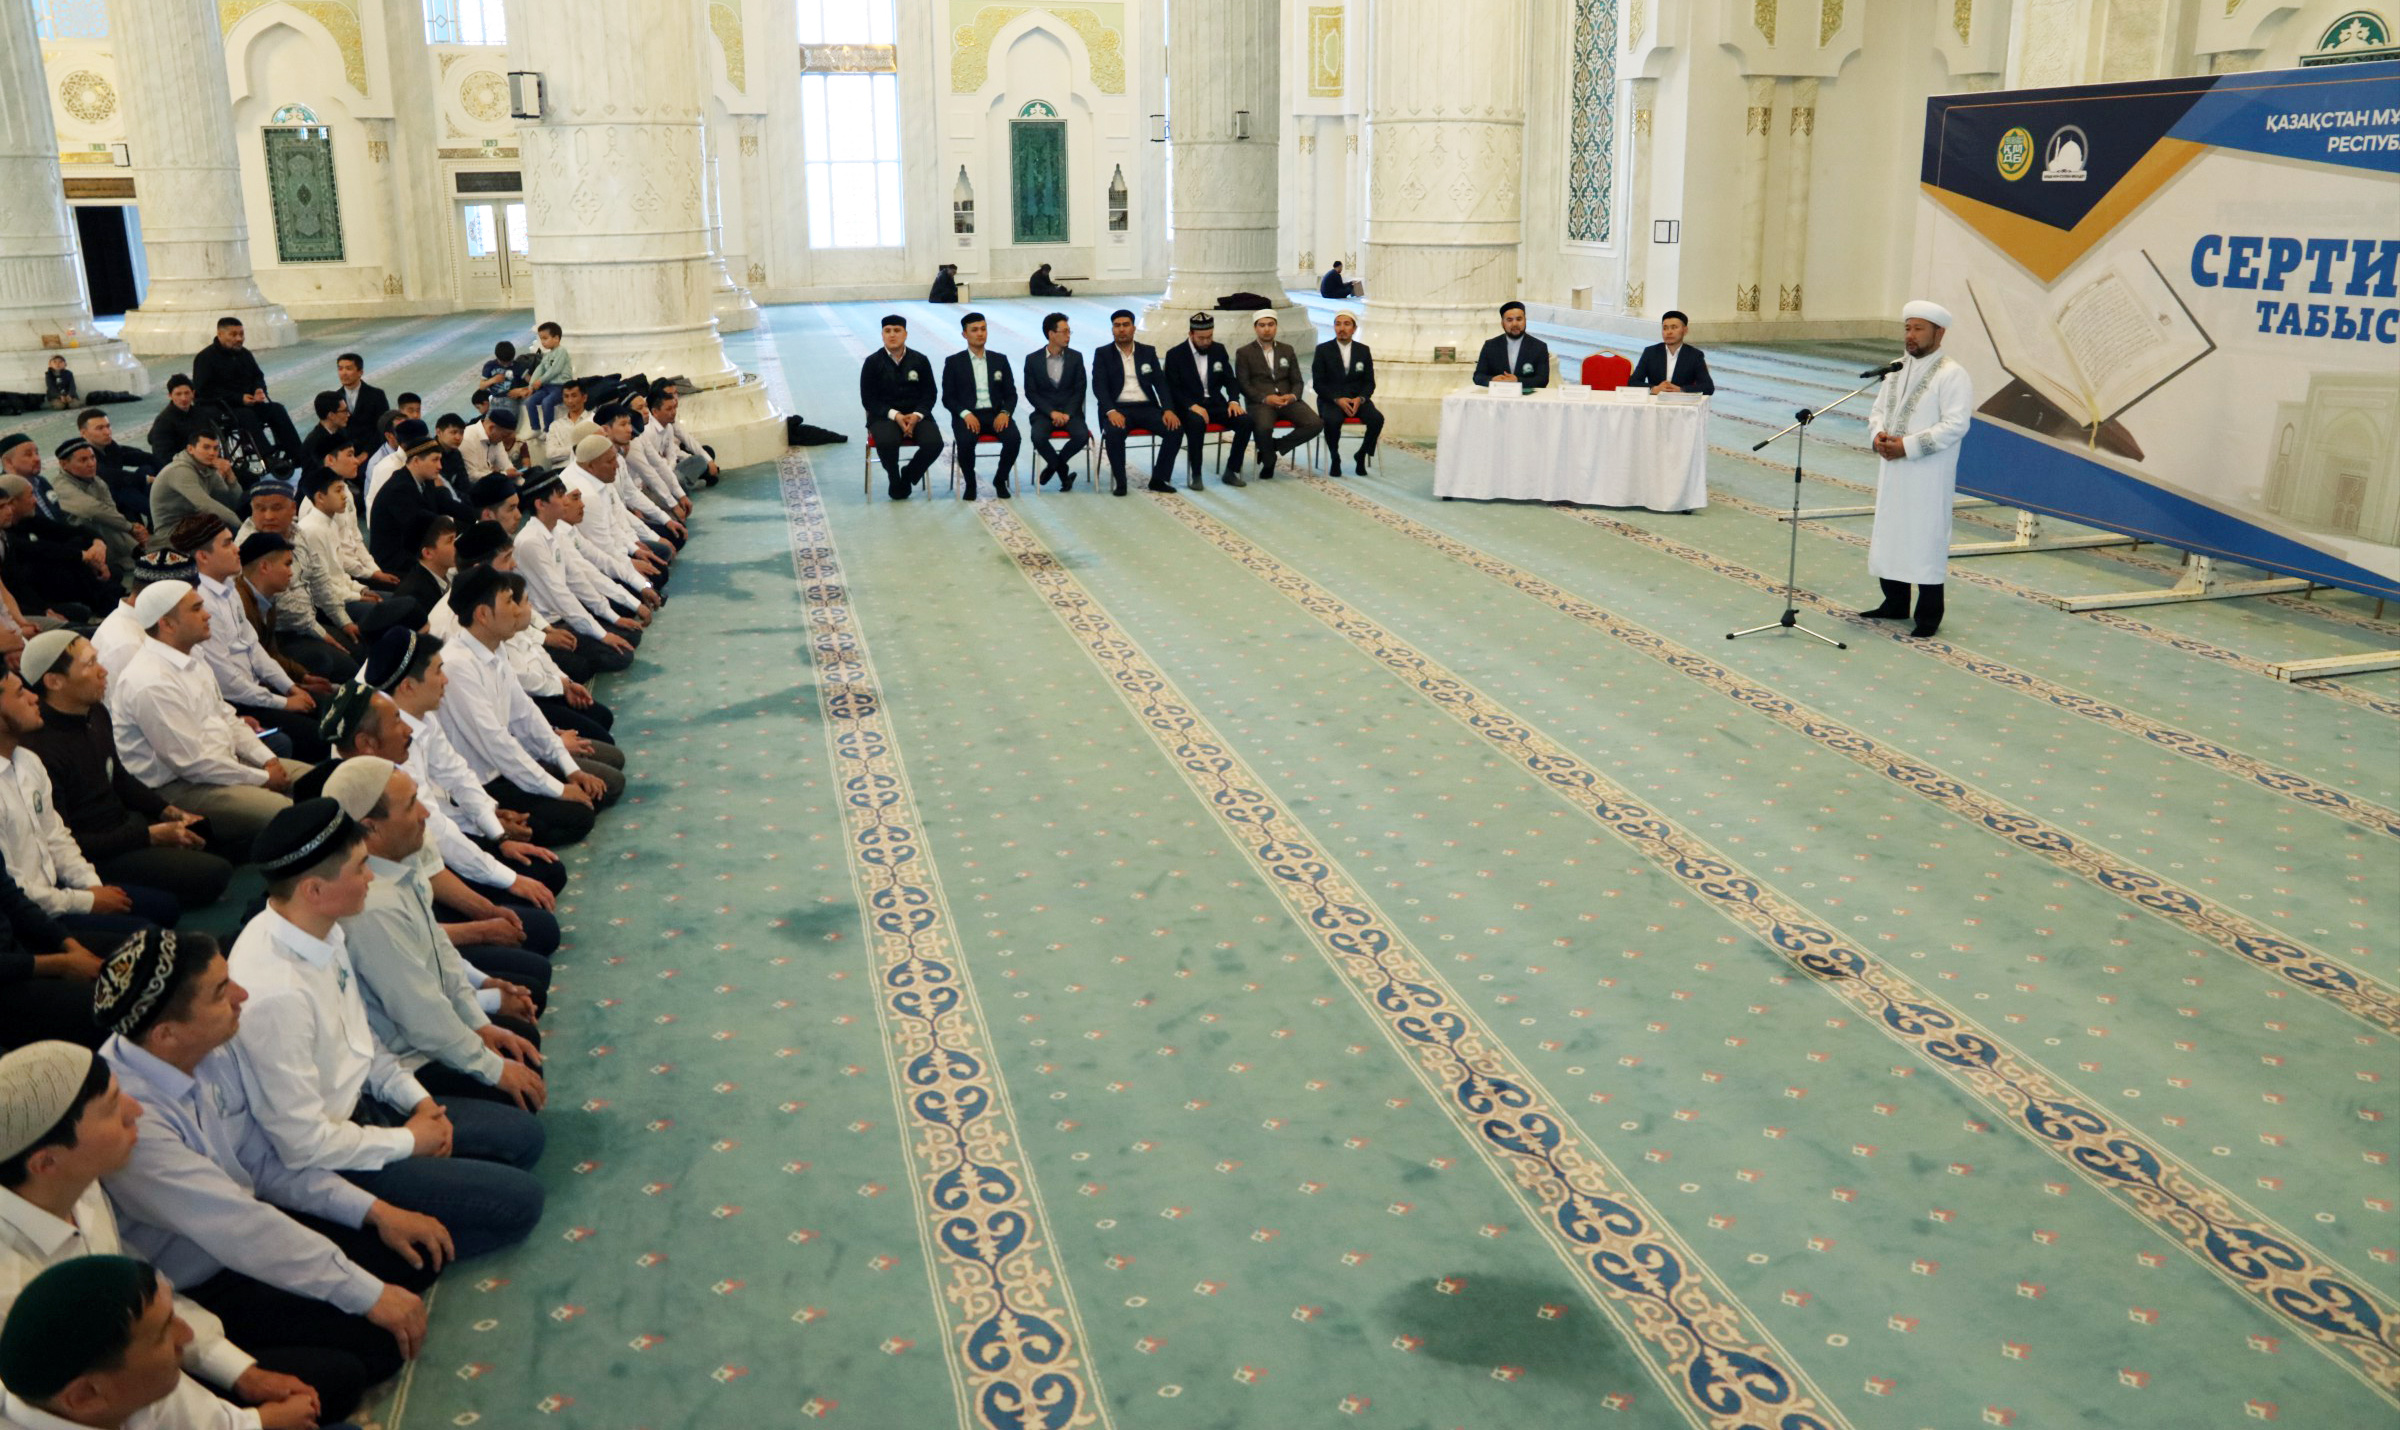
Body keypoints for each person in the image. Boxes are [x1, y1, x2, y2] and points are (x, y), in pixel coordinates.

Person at [97, 931, 443, 1427]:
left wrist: (377, 1213)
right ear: (167, 1035)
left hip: (246, 1234)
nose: (242, 996)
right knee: (368, 1354)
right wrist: (365, 1294)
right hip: (199, 1282)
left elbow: (265, 1165)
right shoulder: (134, 1119)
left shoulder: (211, 1047)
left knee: (412, 1261)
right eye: (221, 991)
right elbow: (239, 1227)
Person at [222, 801, 544, 1259]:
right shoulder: (276, 994)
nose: (371, 876)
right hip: (334, 1156)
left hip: (370, 1105)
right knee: (519, 1204)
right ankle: (365, 1237)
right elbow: (303, 1144)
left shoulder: (322, 928)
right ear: (314, 890)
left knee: (523, 1138)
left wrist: (420, 1102)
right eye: (359, 867)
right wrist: (409, 1140)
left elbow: (363, 1043)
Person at [0, 1045, 323, 1426]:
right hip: (128, 1395)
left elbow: (140, 1294)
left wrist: (240, 1371)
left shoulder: (76, 1183)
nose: (136, 1110)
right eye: (111, 1107)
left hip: (144, 1354)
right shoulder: (10, 1291)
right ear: (46, 1162)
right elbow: (115, 1402)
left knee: (337, 1372)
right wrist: (252, 1423)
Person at [332, 759, 545, 1117]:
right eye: (411, 805)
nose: (425, 813)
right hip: (404, 1058)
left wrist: (479, 1022)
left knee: (520, 1041)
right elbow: (419, 1015)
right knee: (519, 1101)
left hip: (426, 1025)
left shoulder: (400, 859)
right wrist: (491, 1067)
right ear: (371, 827)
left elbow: (439, 948)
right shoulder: (371, 906)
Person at [16, 633, 230, 915]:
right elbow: (66, 840)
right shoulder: (41, 748)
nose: (103, 670)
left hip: (125, 825)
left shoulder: (95, 712)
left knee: (213, 837)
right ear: (54, 681)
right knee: (211, 874)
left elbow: (118, 777)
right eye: (90, 664)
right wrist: (147, 836)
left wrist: (168, 811)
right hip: (98, 852)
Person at [0, 1253, 315, 1430]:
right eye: (164, 1331)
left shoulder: (131, 1386)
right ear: (86, 1395)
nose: (187, 1335)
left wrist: (258, 1422)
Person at [108, 581, 306, 856]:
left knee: (319, 781)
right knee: (289, 815)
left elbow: (228, 718)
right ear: (167, 624)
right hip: (179, 787)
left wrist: (267, 760)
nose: (207, 614)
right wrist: (262, 778)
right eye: (196, 608)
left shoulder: (192, 658)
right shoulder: (150, 681)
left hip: (222, 764)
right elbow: (192, 764)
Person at [0, 666, 179, 942]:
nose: (34, 698)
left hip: (57, 890)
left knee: (165, 909)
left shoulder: (27, 761)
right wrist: (86, 902)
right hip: (25, 917)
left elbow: (56, 837)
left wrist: (92, 888)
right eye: (20, 693)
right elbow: (13, 890)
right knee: (149, 938)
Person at [436, 569, 610, 847]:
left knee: (605, 781)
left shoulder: (495, 648)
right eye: (509, 601)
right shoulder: (457, 666)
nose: (518, 610)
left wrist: (569, 768)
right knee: (581, 815)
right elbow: (496, 742)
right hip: (482, 783)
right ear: (483, 614)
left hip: (510, 765)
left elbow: (525, 714)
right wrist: (558, 789)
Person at [1859, 300, 1974, 640]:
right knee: (1892, 532)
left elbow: (1956, 425)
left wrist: (1907, 446)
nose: (1910, 335)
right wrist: (1878, 436)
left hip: (1927, 472)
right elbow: (1877, 411)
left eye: (1918, 329)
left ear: (1939, 333)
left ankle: (1928, 616)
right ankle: (1894, 603)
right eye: (1907, 328)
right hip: (1893, 468)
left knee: (1924, 538)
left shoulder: (1952, 374)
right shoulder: (1896, 368)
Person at [173, 518, 325, 764]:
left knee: (327, 709)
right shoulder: (200, 603)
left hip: (256, 691)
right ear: (203, 557)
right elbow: (227, 682)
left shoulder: (229, 587)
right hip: (236, 703)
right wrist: (284, 703)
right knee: (317, 737)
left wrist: (289, 687)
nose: (237, 549)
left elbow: (254, 648)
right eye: (227, 544)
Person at [512, 473, 637, 676]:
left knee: (630, 634)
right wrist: (603, 635)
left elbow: (577, 579)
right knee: (618, 656)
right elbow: (559, 594)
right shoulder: (530, 542)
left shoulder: (555, 531)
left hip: (564, 615)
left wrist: (613, 619)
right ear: (541, 504)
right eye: (560, 495)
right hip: (549, 624)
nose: (566, 501)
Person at [0, 863, 105, 1052]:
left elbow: (12, 900)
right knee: (105, 1009)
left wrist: (72, 946)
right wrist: (61, 965)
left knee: (126, 962)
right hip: (7, 978)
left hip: (16, 952)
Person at [189, 319, 300, 469]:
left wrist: (259, 390)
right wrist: (239, 398)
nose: (239, 339)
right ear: (220, 334)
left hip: (247, 402)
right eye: (233, 334)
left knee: (276, 409)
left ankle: (298, 454)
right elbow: (205, 390)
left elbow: (257, 376)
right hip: (219, 406)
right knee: (246, 415)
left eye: (241, 334)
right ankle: (268, 457)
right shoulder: (205, 358)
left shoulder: (244, 354)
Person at [1091, 309, 1181, 495]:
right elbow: (1099, 387)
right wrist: (1111, 411)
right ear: (1112, 329)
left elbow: (1160, 383)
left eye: (1126, 325)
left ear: (1133, 328)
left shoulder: (1147, 352)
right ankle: (1121, 482)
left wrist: (1168, 409)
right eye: (1117, 326)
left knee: (1175, 429)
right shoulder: (1103, 354)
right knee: (1114, 432)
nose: (1121, 329)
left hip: (1146, 408)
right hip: (1118, 409)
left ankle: (1158, 479)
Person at [859, 316, 943, 501]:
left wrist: (917, 415)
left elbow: (930, 394)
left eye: (897, 330)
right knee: (887, 442)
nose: (892, 335)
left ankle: (908, 474)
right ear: (882, 335)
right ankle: (894, 477)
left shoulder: (920, 360)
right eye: (887, 331)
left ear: (906, 334)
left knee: (934, 444)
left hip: (917, 415)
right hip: (884, 416)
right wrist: (896, 415)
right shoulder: (872, 363)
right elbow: (869, 400)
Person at [1163, 313, 1250, 488]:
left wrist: (1234, 401)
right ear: (1191, 334)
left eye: (1209, 337)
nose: (1206, 342)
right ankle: (1196, 474)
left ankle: (1231, 471)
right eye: (1201, 338)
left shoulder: (1218, 350)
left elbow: (1230, 379)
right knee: (1197, 423)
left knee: (1245, 422)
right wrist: (1192, 406)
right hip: (1188, 407)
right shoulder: (1175, 355)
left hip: (1215, 404)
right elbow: (1172, 389)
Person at [940, 313, 1020, 501]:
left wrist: (1005, 412)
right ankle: (971, 483)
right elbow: (948, 397)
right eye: (974, 330)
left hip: (995, 414)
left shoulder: (1000, 360)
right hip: (968, 415)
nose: (980, 333)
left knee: (1014, 439)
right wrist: (965, 414)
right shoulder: (953, 362)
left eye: (983, 329)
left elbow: (1011, 394)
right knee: (966, 442)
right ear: (964, 334)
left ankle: (1000, 480)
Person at [1233, 313, 1321, 481]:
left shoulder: (1287, 350)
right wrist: (1265, 398)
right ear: (1255, 328)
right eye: (1262, 325)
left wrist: (1293, 396)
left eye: (1270, 324)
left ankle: (1271, 448)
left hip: (1288, 401)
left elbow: (1297, 381)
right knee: (1263, 428)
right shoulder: (1244, 353)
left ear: (1276, 326)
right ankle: (1269, 461)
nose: (1267, 329)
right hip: (1261, 403)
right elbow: (1243, 384)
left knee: (1315, 423)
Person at [366, 434, 467, 579]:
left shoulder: (425, 481)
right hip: (395, 561)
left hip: (418, 548)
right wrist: (456, 525)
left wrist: (475, 518)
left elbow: (446, 506)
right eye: (435, 460)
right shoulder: (399, 488)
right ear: (416, 461)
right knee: (457, 567)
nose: (440, 466)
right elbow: (423, 523)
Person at [47, 440, 145, 578]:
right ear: (64, 464)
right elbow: (92, 510)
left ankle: (134, 554)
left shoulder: (96, 480)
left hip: (103, 533)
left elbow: (111, 509)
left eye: (93, 458)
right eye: (83, 460)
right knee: (98, 519)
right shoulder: (61, 486)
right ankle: (133, 555)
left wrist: (132, 527)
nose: (91, 463)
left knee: (113, 517)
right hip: (75, 538)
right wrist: (130, 527)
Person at [1022, 314, 1090, 493]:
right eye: (1064, 331)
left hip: (1070, 412)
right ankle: (1062, 470)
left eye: (1069, 332)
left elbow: (1080, 390)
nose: (1068, 335)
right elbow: (1031, 392)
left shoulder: (1076, 357)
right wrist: (1052, 413)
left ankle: (1054, 465)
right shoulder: (1032, 359)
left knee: (1082, 435)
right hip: (1045, 413)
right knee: (1038, 437)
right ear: (1051, 334)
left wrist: (1067, 414)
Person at [147, 430, 242, 554]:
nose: (212, 453)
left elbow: (233, 502)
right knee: (232, 534)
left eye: (215, 448)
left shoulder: (207, 469)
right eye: (206, 447)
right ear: (190, 449)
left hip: (195, 524)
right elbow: (206, 506)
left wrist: (230, 476)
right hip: (171, 534)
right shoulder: (180, 471)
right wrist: (243, 527)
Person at [1311, 312, 1383, 477]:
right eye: (1338, 324)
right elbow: (1318, 383)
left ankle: (1362, 454)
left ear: (1354, 329)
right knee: (1332, 420)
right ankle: (1334, 457)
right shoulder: (1323, 350)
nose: (1341, 328)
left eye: (1346, 324)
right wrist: (1337, 399)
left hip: (1357, 399)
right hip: (1331, 399)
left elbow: (1369, 382)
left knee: (1377, 419)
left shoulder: (1363, 351)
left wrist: (1361, 399)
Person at [77, 409, 159, 521]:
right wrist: (145, 479)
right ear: (83, 433)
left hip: (117, 491)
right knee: (125, 490)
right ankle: (158, 514)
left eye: (108, 426)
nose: (107, 432)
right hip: (96, 500)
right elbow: (108, 476)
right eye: (100, 428)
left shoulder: (110, 446)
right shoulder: (81, 454)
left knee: (147, 467)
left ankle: (155, 518)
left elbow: (135, 455)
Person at [1628, 310, 1715, 396]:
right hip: (1655, 400)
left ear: (1685, 330)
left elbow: (1708, 387)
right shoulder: (1650, 352)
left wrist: (1681, 390)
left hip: (1681, 401)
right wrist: (1654, 389)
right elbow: (1633, 382)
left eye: (1674, 327)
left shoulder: (1694, 355)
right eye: (1665, 328)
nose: (1669, 332)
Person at [388, 517, 456, 625]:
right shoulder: (416, 596)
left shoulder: (448, 576)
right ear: (428, 553)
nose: (457, 545)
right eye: (450, 541)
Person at [1473, 301, 1551, 390]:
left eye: (1519, 319)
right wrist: (1492, 380)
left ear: (1525, 321)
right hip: (1498, 395)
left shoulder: (1539, 347)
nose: (1515, 324)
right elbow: (1478, 376)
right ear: (1502, 323)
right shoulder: (1490, 346)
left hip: (1527, 396)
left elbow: (1543, 380)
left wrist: (1518, 380)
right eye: (1509, 320)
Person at [512, 324, 571, 436]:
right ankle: (535, 428)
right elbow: (539, 370)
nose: (542, 342)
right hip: (547, 386)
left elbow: (555, 370)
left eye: (545, 338)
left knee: (546, 402)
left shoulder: (561, 351)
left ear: (556, 338)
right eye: (541, 339)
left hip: (560, 387)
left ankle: (548, 430)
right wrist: (531, 386)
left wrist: (541, 381)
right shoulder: (547, 355)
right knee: (530, 401)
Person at [141, 377, 212, 467]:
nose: (183, 398)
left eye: (187, 393)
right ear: (170, 396)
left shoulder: (200, 414)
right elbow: (163, 457)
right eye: (178, 394)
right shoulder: (163, 421)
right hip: (179, 466)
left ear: (193, 393)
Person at [331, 355, 387, 455]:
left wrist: (366, 453)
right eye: (340, 369)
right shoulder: (334, 398)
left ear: (360, 372)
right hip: (345, 454)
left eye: (348, 368)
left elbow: (383, 427)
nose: (344, 373)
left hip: (374, 452)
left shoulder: (376, 395)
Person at [298, 394, 349, 472]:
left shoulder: (341, 430)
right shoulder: (313, 444)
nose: (348, 414)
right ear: (331, 415)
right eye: (344, 411)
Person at [474, 343, 520, 419]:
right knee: (488, 423)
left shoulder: (516, 365)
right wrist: (493, 380)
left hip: (510, 399)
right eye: (503, 363)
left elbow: (529, 380)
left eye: (509, 362)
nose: (506, 365)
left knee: (508, 421)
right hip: (495, 400)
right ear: (497, 357)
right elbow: (482, 386)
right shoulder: (490, 366)